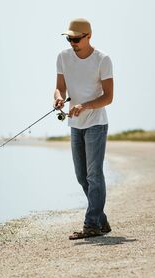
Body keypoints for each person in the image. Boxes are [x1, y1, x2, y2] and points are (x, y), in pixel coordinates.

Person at [53, 18, 114, 240]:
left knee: (94, 175)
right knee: (82, 176)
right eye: (69, 38)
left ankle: (91, 225)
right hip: (75, 124)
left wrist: (85, 106)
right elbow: (59, 88)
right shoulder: (63, 57)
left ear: (88, 36)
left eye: (76, 38)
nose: (72, 42)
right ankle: (101, 220)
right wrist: (59, 99)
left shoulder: (103, 60)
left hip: (96, 123)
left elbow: (108, 97)